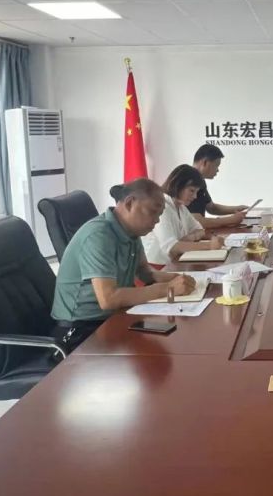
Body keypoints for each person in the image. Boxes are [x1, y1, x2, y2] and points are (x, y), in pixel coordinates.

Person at [51, 178, 195, 348]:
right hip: (81, 329)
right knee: (161, 351)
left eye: (159, 215)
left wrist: (177, 278)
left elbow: (145, 272)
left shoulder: (130, 232)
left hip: (114, 316)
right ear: (129, 203)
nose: (157, 221)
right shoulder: (99, 235)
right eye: (153, 212)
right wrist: (168, 288)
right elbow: (108, 299)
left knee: (178, 339)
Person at [143, 164, 224, 266]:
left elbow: (200, 230)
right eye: (192, 191)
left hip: (176, 261)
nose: (195, 196)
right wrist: (210, 245)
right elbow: (172, 247)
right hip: (158, 267)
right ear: (178, 185)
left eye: (196, 192)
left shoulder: (181, 207)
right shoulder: (162, 207)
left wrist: (189, 238)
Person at [188, 144, 249, 230]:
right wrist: (230, 220)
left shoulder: (200, 181)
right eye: (216, 165)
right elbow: (197, 221)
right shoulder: (189, 181)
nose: (217, 170)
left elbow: (211, 208)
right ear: (205, 162)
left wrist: (237, 209)